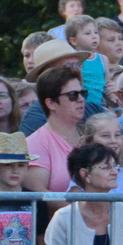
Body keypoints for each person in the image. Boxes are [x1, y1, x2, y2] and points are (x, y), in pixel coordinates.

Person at [23, 64, 87, 197]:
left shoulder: (91, 136)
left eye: (83, 93)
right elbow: (39, 195)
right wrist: (81, 211)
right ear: (50, 103)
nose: (81, 100)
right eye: (73, 95)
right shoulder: (35, 143)